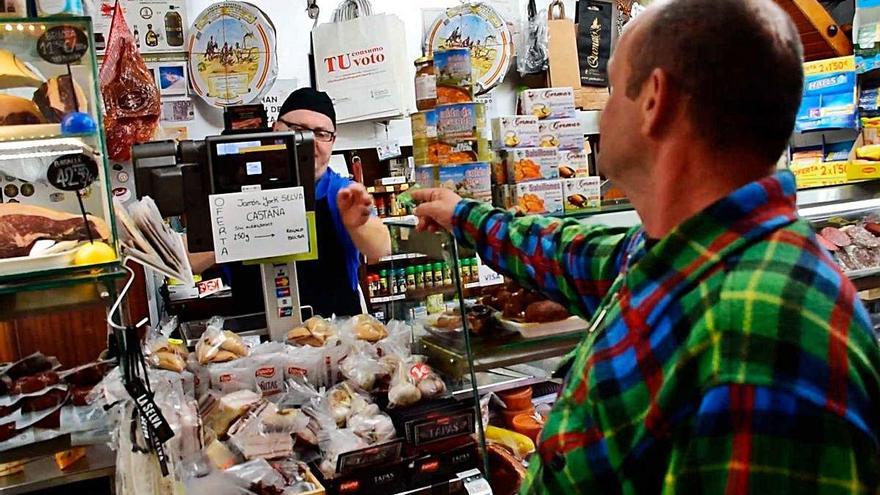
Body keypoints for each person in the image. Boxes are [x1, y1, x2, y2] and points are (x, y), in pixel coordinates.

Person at [413, 0, 880, 493]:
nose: (600, 112)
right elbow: (571, 252)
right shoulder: (685, 254)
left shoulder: (762, 332)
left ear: (656, 100)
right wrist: (462, 214)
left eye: (612, 89)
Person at [195, 88, 391, 318]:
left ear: (332, 141)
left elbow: (381, 247)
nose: (309, 142)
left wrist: (359, 224)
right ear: (276, 129)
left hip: (332, 341)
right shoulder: (234, 193)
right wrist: (234, 229)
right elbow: (191, 262)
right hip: (256, 342)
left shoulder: (340, 193)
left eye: (321, 133)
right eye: (298, 130)